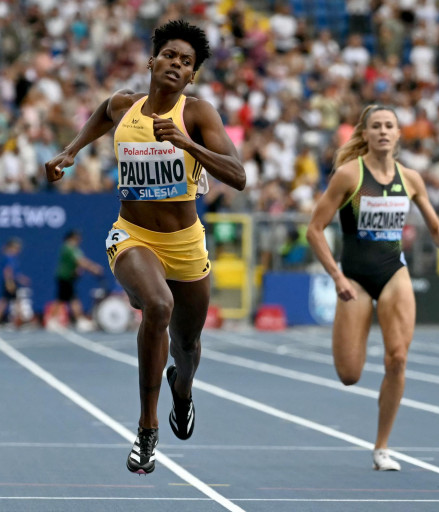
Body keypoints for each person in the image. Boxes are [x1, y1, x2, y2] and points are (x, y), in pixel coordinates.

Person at [44, 20, 245, 474]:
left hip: (186, 244)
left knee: (188, 346)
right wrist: (71, 150)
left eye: (187, 62)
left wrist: (187, 143)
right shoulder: (125, 106)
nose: (177, 64)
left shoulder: (197, 114)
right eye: (170, 56)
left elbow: (238, 176)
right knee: (157, 305)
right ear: (153, 61)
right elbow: (102, 112)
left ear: (192, 76)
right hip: (133, 236)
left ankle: (183, 391)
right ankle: (147, 429)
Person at [306, 105, 439, 471]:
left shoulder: (411, 178)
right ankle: (379, 438)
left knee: (398, 358)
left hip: (394, 272)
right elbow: (314, 229)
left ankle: (382, 447)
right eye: (376, 126)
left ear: (398, 134)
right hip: (355, 277)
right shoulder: (349, 176)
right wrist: (338, 277)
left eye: (390, 125)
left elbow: (435, 229)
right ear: (365, 134)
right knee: (349, 374)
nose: (383, 131)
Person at [54, 229, 105, 331]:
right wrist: (93, 268)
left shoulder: (72, 248)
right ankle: (61, 320)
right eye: (77, 238)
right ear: (72, 238)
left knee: (68, 299)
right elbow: (80, 261)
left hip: (68, 278)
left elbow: (77, 264)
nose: (80, 240)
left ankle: (58, 320)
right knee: (67, 300)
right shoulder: (69, 248)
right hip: (65, 277)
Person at [0, 238, 29, 326]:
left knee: (11, 301)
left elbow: (15, 273)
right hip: (10, 283)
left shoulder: (12, 258)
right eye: (16, 247)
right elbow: (7, 271)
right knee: (8, 301)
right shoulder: (8, 257)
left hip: (11, 282)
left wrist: (21, 279)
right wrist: (9, 283)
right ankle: (21, 320)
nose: (18, 250)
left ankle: (20, 320)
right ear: (11, 247)